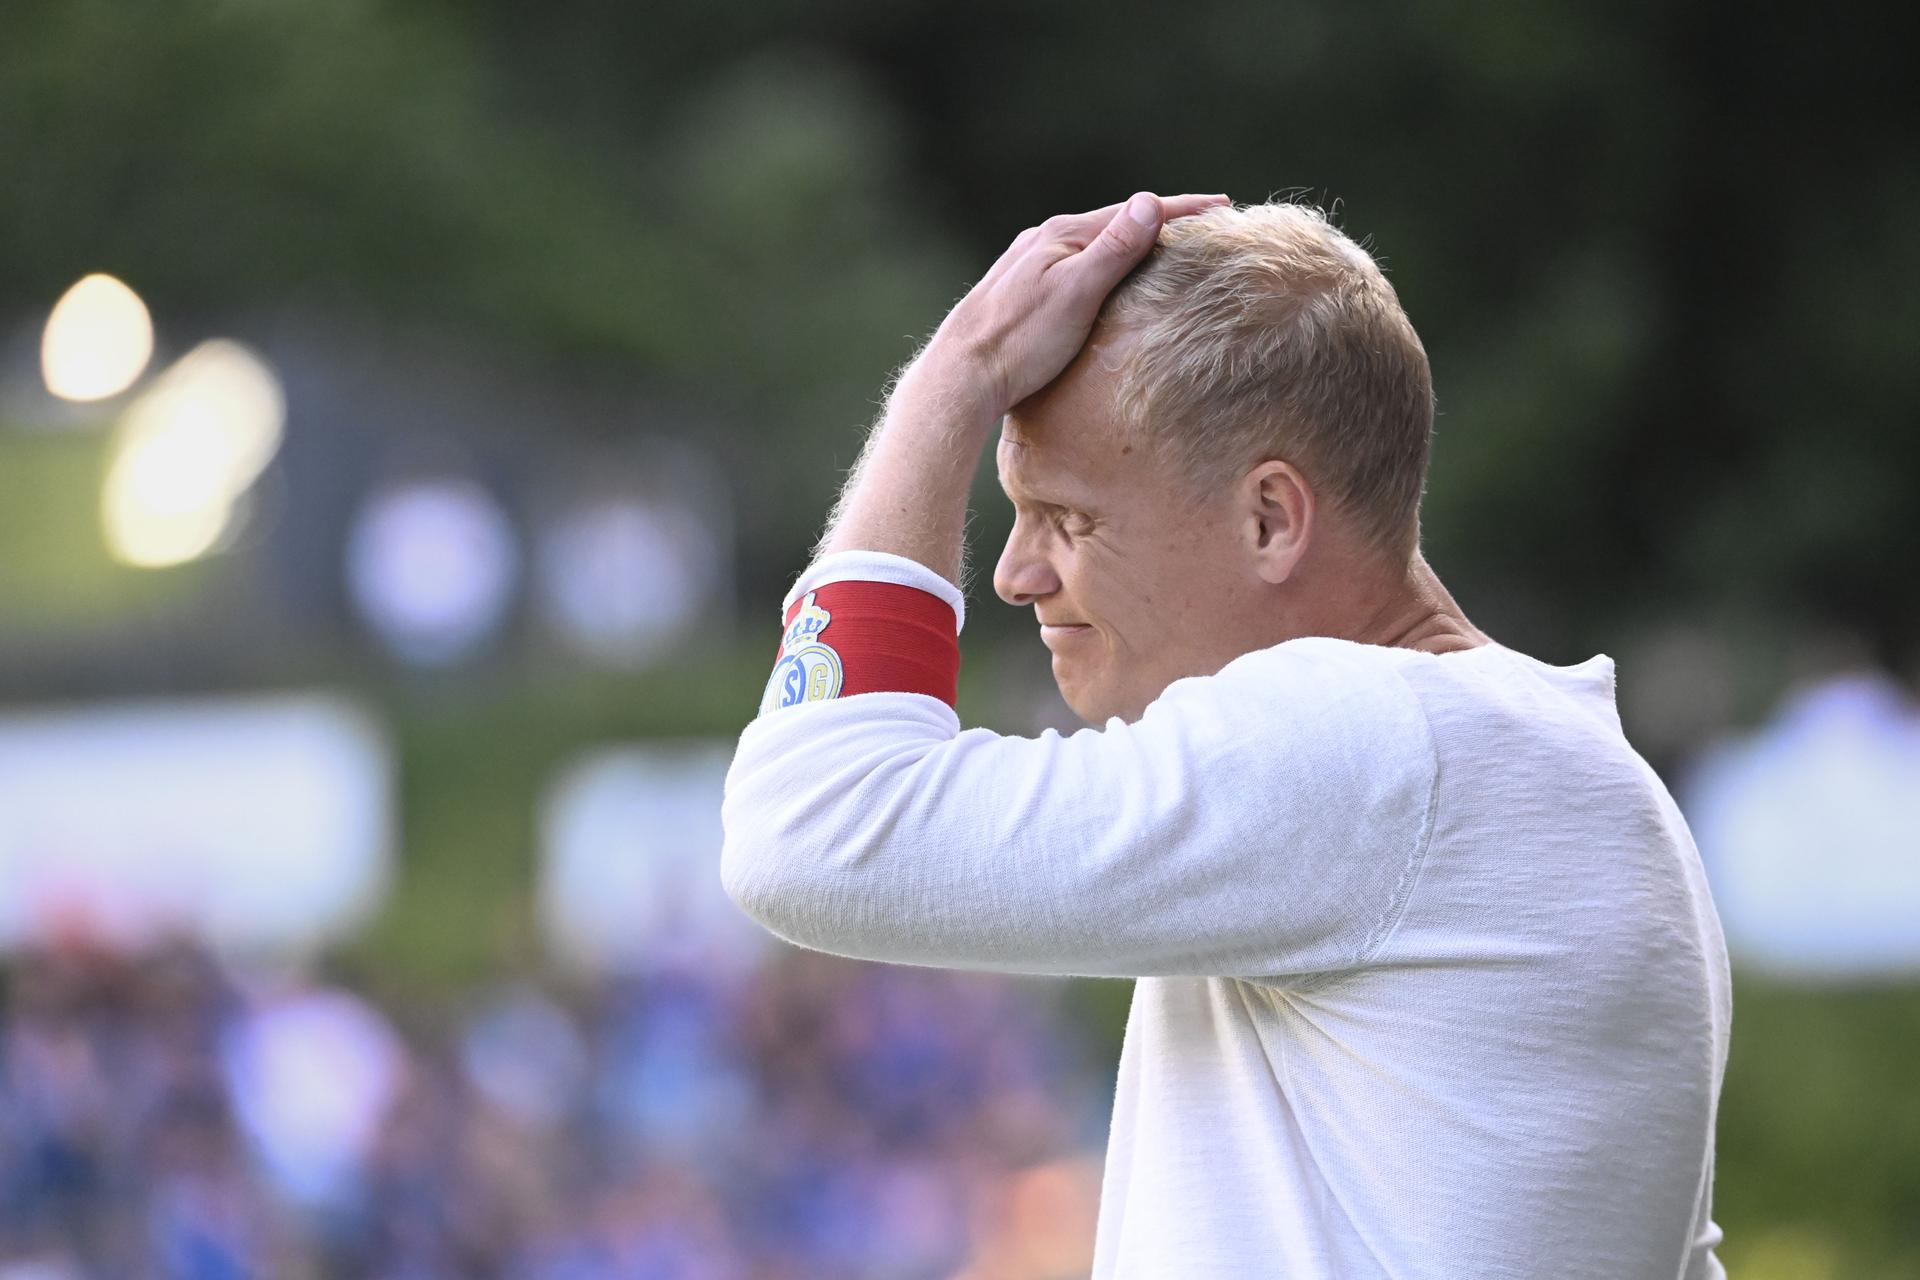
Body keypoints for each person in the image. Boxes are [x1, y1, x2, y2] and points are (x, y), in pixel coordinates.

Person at [720, 192, 1732, 1279]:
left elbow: (813, 826)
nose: (1016, 572)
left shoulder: (1365, 740)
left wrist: (953, 377)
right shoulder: (1587, 780)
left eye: (1068, 517)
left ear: (1270, 519)